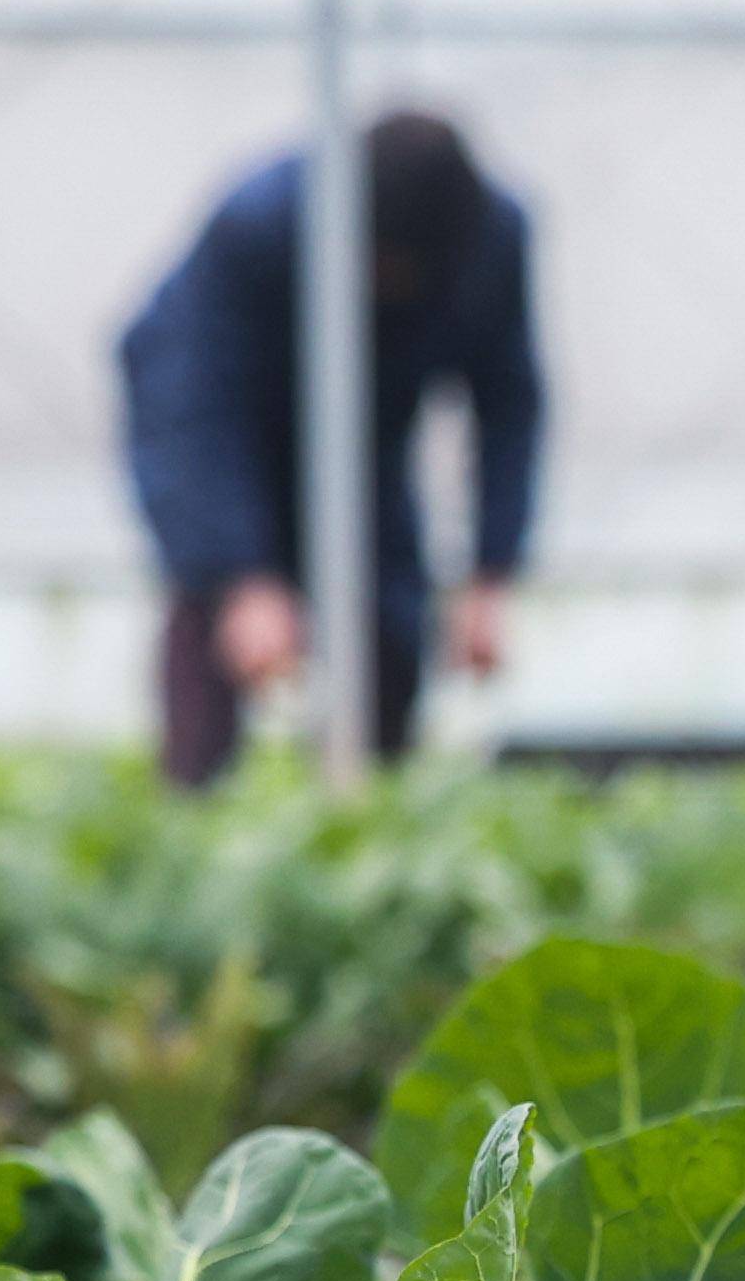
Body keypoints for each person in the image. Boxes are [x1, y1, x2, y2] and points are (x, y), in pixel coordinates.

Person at [117, 105, 542, 786]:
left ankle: (367, 823)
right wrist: (239, 577)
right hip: (236, 452)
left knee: (389, 648)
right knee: (211, 657)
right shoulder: (260, 224)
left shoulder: (492, 240)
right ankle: (194, 823)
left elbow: (509, 401)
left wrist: (491, 571)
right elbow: (191, 407)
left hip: (368, 461)